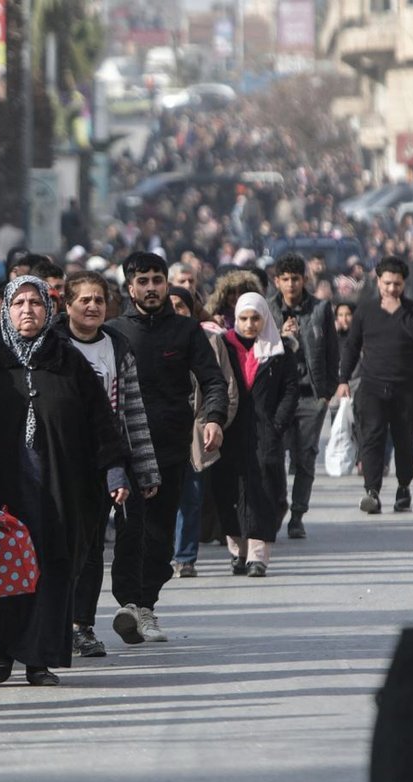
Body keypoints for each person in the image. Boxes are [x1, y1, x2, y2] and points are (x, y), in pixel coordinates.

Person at [0, 276, 129, 685]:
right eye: (19, 304)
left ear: (48, 312)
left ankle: (38, 659)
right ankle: (2, 652)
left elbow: (101, 421)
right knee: (3, 570)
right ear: (6, 312)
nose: (27, 310)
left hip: (59, 488)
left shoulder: (68, 361)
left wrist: (114, 469)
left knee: (50, 568)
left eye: (35, 303)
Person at [104, 252, 227, 645]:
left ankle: (146, 606)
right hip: (123, 450)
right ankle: (128, 603)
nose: (152, 287)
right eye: (143, 281)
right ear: (130, 287)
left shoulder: (186, 331)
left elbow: (213, 381)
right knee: (128, 528)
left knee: (159, 534)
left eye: (158, 279)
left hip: (171, 448)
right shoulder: (113, 333)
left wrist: (212, 418)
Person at [58, 271, 161, 658]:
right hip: (56, 463)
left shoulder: (117, 348)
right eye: (83, 299)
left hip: (102, 464)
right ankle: (48, 622)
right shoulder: (52, 346)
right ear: (67, 305)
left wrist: (145, 469)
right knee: (55, 548)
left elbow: (132, 412)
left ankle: (81, 626)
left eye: (98, 300)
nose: (92, 306)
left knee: (90, 550)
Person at [212, 293, 298, 577]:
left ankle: (258, 557)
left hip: (265, 433)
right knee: (230, 491)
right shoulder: (223, 346)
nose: (250, 325)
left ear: (265, 319)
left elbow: (289, 390)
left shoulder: (278, 350)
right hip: (230, 430)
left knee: (263, 491)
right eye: (244, 319)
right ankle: (238, 552)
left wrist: (277, 425)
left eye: (256, 318)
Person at [338, 256, 413, 514]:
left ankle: (403, 489)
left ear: (404, 284)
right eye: (387, 283)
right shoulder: (365, 311)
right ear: (378, 281)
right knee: (372, 439)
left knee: (404, 440)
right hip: (372, 387)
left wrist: (400, 308)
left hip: (406, 389)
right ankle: (372, 492)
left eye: (397, 284)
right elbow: (352, 347)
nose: (392, 289)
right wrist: (343, 379)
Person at [266, 254, 339, 539]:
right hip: (277, 396)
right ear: (277, 281)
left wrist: (327, 393)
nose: (291, 284)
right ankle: (278, 506)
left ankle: (298, 514)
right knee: (274, 457)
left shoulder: (320, 309)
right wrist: (281, 338)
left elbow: (333, 351)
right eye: (285, 279)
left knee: (305, 457)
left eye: (296, 278)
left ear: (304, 279)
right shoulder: (269, 310)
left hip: (311, 396)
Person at [169, 286, 240, 575]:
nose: (175, 312)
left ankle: (185, 557)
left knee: (191, 497)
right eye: (169, 305)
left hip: (197, 431)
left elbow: (227, 388)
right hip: (162, 430)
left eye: (181, 306)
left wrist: (214, 422)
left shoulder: (211, 341)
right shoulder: (151, 340)